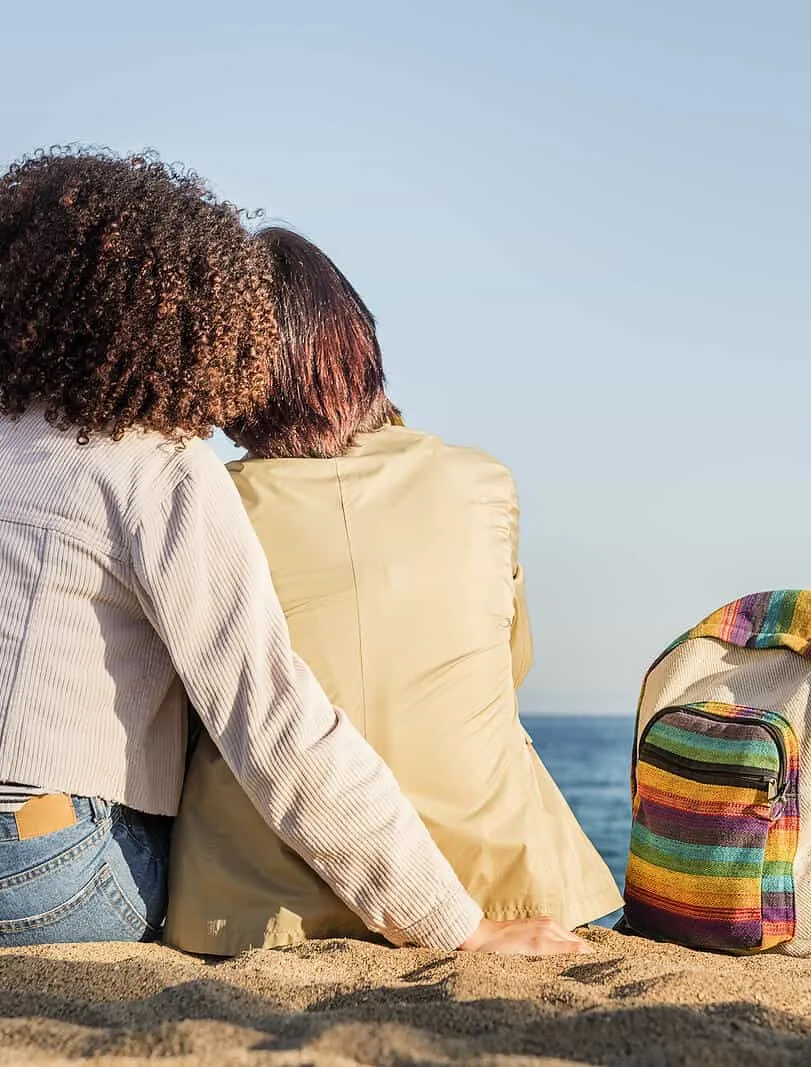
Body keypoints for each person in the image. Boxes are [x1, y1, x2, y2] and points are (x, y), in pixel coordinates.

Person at [0, 148, 587, 955]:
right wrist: (459, 927)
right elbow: (277, 724)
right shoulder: (159, 470)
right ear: (183, 322)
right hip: (41, 882)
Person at [164, 227, 623, 955]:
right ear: (359, 345)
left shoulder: (207, 503)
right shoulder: (482, 483)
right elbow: (508, 669)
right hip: (491, 879)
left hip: (258, 899)